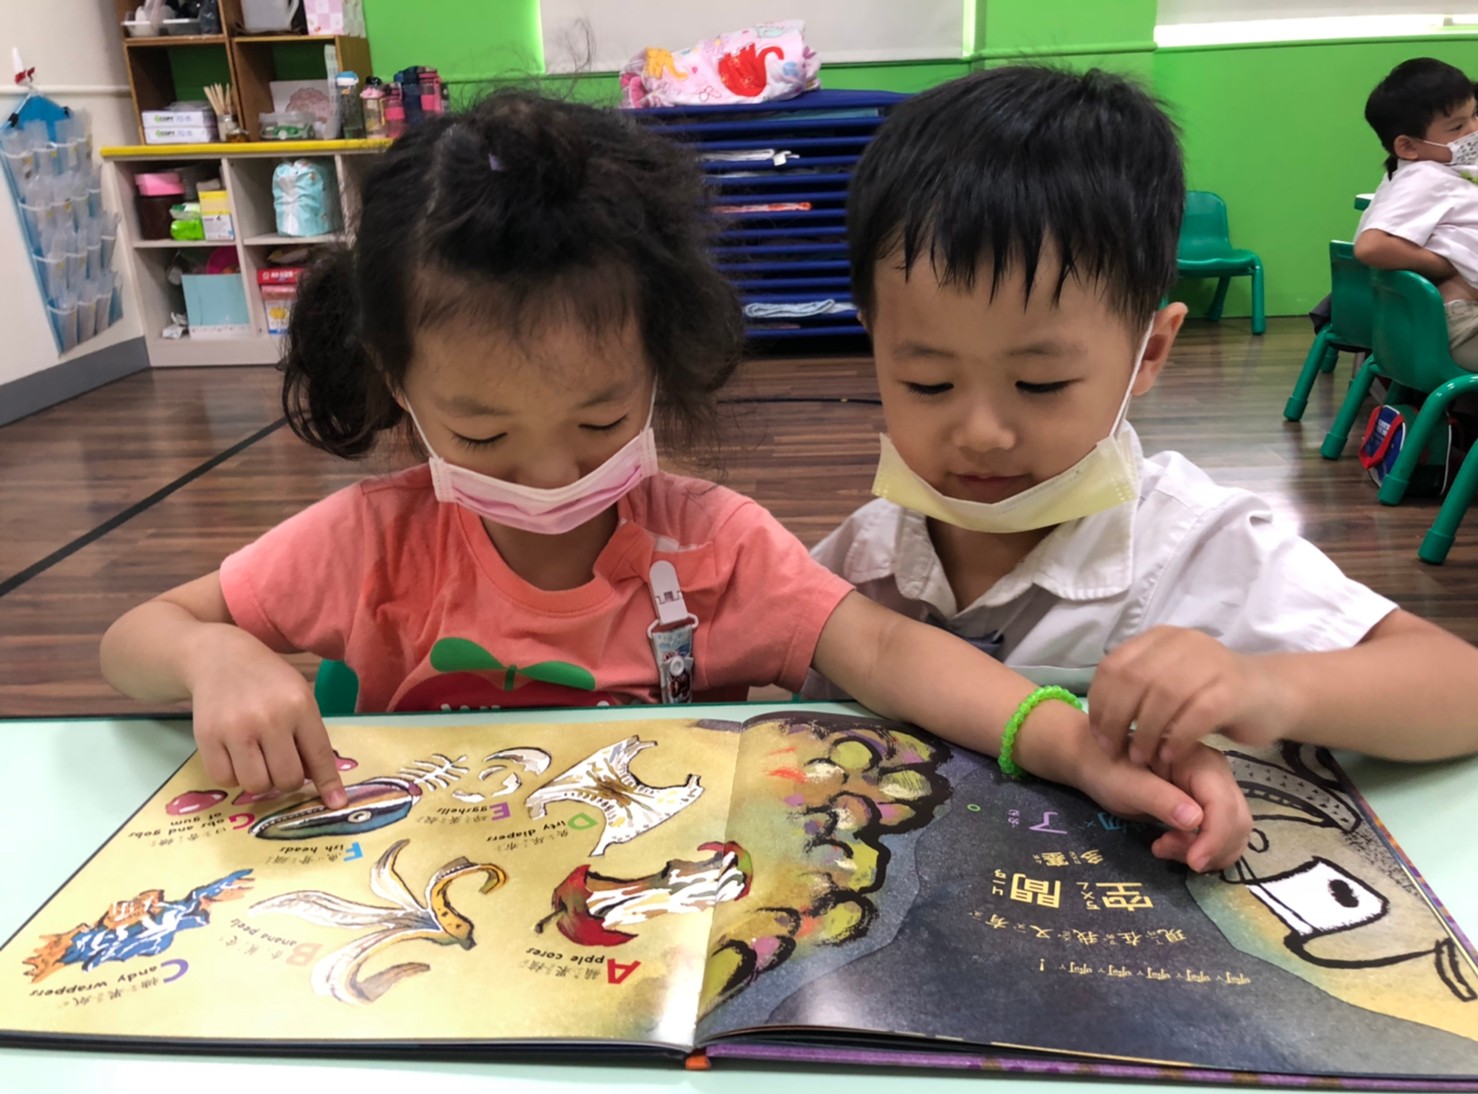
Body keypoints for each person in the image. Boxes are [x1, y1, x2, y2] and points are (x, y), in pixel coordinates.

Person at [98, 91, 1249, 872]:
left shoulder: (713, 545)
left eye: (601, 420)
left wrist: (1066, 741)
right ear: (397, 381)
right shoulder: (369, 542)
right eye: (481, 432)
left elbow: (888, 650)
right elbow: (138, 635)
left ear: (659, 363)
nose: (551, 473)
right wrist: (216, 657)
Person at [809, 65, 1478, 772]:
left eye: (1040, 384)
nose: (981, 433)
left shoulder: (1196, 549)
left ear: (1150, 352)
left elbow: (1457, 687)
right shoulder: (866, 553)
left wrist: (1268, 686)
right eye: (928, 383)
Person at [1354, 57, 1478, 368]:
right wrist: (1446, 264)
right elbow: (1371, 246)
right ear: (1409, 147)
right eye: (1457, 127)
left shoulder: (1440, 172)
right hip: (1463, 325)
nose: (1474, 130)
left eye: (1475, 115)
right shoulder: (1425, 176)